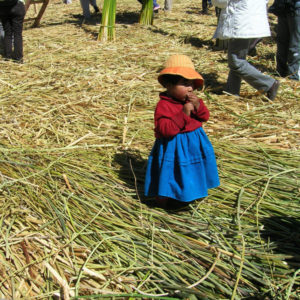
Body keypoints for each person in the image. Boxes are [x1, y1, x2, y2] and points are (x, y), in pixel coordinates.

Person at [144, 54, 220, 209]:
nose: (190, 88)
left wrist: (198, 105)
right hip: (174, 147)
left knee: (193, 169)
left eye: (192, 83)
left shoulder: (192, 101)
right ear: (169, 85)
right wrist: (184, 114)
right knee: (172, 173)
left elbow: (205, 117)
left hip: (194, 144)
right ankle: (164, 200)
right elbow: (165, 130)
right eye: (185, 84)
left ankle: (192, 192)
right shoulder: (163, 105)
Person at [212, 0, 280, 101]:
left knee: (236, 62)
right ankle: (231, 91)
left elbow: (221, 1)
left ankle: (268, 84)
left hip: (241, 21)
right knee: (238, 58)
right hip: (252, 20)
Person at [269, 0, 300, 81]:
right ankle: (281, 72)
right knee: (282, 42)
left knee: (295, 43)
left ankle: (293, 75)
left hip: (296, 7)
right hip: (284, 6)